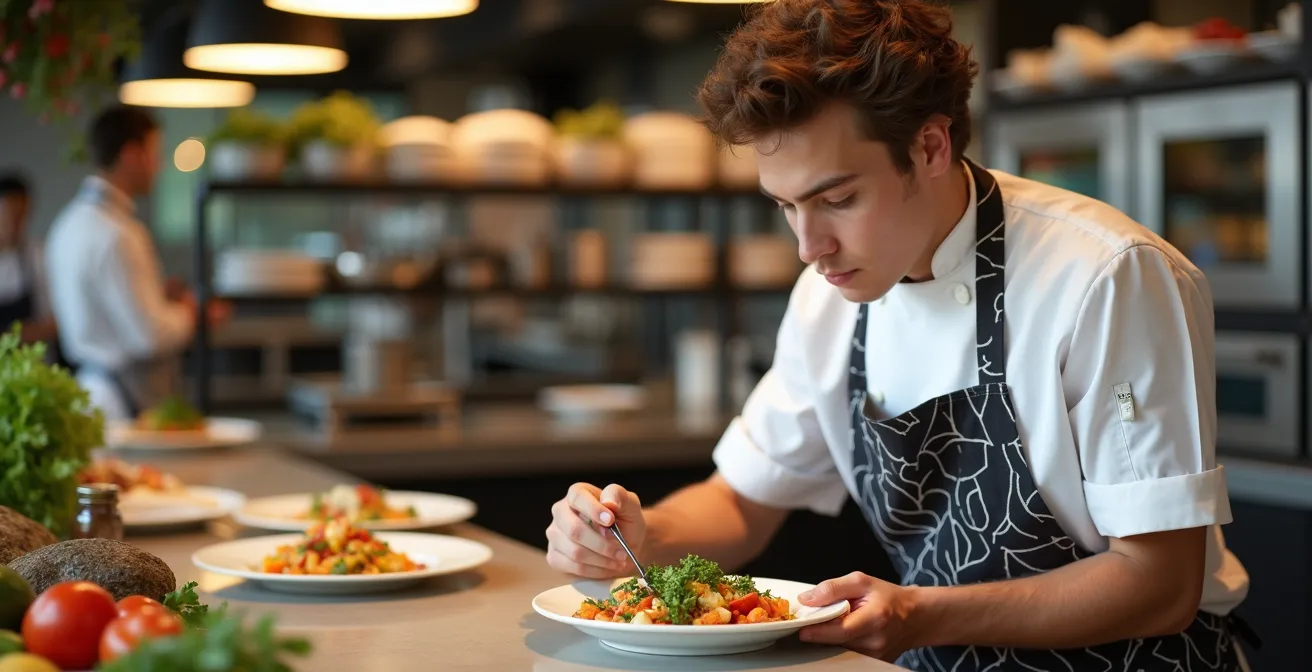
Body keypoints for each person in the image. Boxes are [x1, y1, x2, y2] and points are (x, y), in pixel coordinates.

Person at [545, 2, 1253, 670]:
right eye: (785, 207)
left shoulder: (1106, 276)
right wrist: (631, 536)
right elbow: (740, 502)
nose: (809, 247)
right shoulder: (829, 298)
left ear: (930, 146)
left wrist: (919, 615)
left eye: (837, 199)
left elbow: (1160, 584)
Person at [46, 105, 226, 421]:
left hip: (91, 388)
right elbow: (148, 335)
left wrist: (159, 297)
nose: (159, 166)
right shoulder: (118, 234)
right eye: (155, 153)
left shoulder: (67, 223)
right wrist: (193, 313)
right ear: (131, 154)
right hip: (122, 399)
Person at [0, 174, 58, 348]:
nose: (15, 224)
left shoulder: (39, 256)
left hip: (35, 358)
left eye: (21, 216)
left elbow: (56, 321)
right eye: (9, 215)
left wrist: (21, 335)